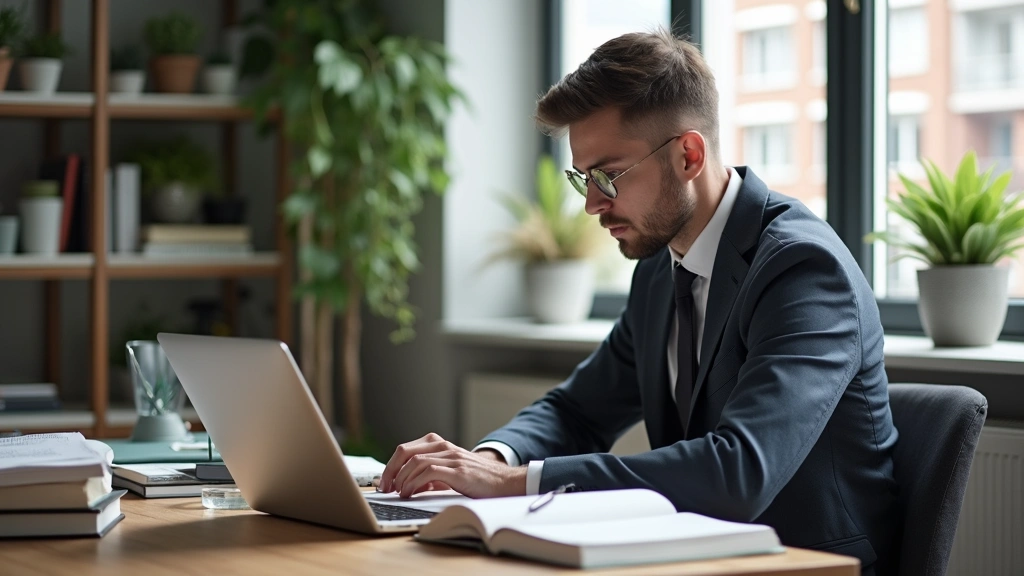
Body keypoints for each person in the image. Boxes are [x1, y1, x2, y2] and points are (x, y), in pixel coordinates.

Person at [379, 29, 898, 574]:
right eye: (584, 178)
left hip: (804, 565)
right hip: (692, 555)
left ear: (688, 155)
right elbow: (578, 409)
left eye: (609, 175)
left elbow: (739, 472)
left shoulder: (802, 270)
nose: (593, 205)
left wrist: (513, 485)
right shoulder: (659, 269)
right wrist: (486, 460)